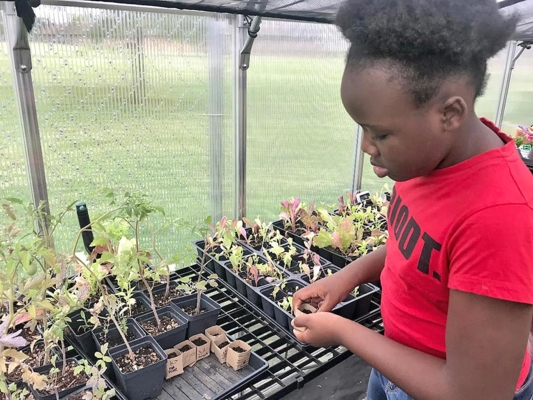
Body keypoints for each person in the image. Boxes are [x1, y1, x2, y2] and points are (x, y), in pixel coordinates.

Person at [291, 1, 533, 399]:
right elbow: (415, 245)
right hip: (398, 364)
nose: (368, 147)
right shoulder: (430, 159)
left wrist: (343, 331)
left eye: (381, 134)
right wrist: (346, 277)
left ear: (450, 113)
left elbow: (475, 393)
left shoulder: (499, 217)